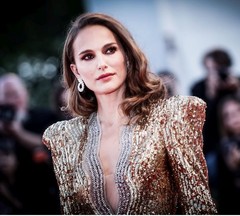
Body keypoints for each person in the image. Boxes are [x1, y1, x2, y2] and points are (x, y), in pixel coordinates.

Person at [42, 12, 217, 215]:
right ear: (76, 71)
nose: (101, 63)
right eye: (88, 56)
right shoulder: (64, 138)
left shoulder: (170, 116)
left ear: (126, 55)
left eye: (110, 50)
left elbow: (199, 206)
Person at [0, 73, 61, 214]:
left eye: (15, 94)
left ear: (25, 94)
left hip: (43, 196)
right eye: (6, 96)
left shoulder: (43, 116)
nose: (11, 101)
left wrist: (18, 133)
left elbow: (53, 145)